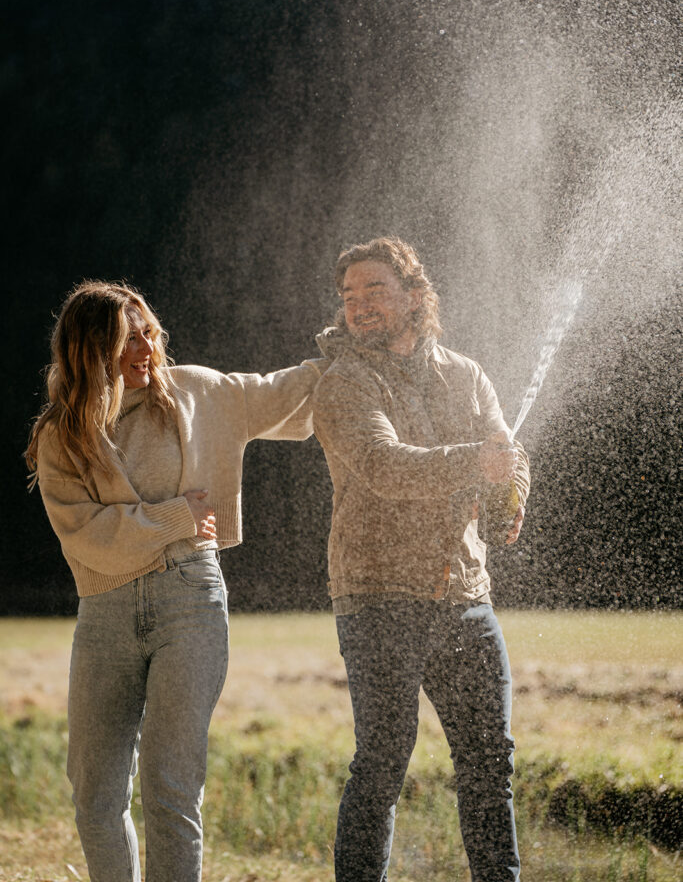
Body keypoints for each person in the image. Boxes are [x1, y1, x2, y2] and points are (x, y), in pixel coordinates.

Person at [25, 279, 323, 882]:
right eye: (125, 339)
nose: (144, 348)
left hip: (190, 598)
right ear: (88, 350)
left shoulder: (194, 392)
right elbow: (85, 534)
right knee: (95, 794)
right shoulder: (62, 434)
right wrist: (175, 515)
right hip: (104, 611)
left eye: (148, 333)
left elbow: (281, 394)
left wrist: (340, 352)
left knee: (171, 785)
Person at [312, 237, 530, 882]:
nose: (359, 306)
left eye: (374, 290)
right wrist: (477, 462)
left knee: (490, 763)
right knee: (382, 762)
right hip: (376, 594)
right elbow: (385, 467)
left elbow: (506, 454)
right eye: (349, 296)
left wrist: (510, 495)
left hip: (465, 597)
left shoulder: (466, 374)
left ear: (414, 294)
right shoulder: (344, 381)